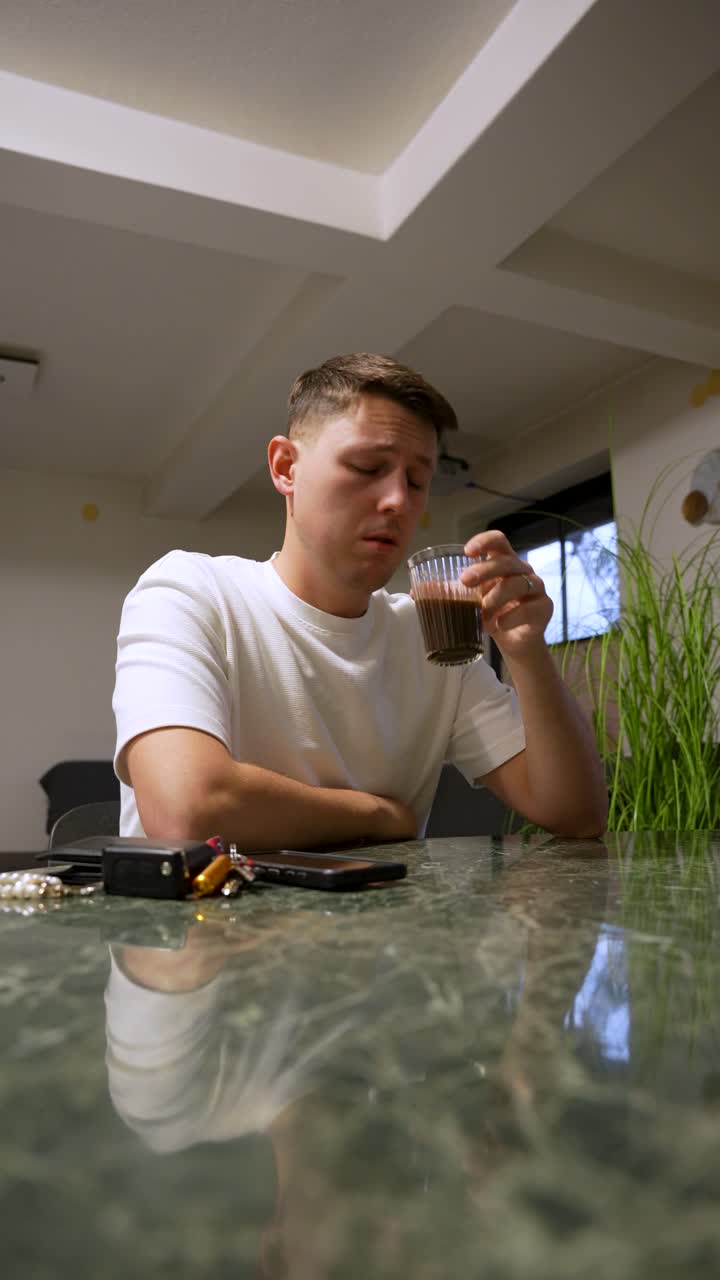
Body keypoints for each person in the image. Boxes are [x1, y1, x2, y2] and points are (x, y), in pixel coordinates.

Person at [112, 353, 607, 845]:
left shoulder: (428, 636)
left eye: (417, 481)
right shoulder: (189, 593)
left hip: (375, 926)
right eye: (367, 467)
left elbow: (577, 814)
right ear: (286, 467)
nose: (398, 501)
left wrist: (527, 654)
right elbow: (188, 809)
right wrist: (382, 817)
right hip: (198, 921)